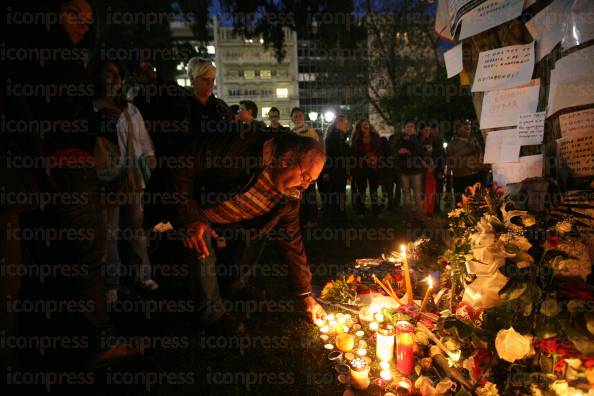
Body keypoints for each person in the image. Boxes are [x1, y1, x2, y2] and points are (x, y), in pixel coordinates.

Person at [171, 131, 327, 331]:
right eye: (305, 176)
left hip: (235, 219)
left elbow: (291, 241)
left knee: (255, 237)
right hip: (199, 207)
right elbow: (182, 163)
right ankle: (211, 312)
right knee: (201, 245)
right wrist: (190, 217)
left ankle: (236, 287)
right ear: (287, 159)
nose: (305, 186)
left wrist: (305, 294)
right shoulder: (241, 147)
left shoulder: (288, 199)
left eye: (311, 182)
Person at [89, 59, 159, 304]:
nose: (114, 80)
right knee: (110, 233)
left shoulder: (130, 110)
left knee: (136, 230)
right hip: (105, 180)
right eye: (108, 74)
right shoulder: (92, 110)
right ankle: (112, 283)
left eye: (116, 75)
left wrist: (149, 158)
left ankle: (142, 275)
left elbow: (142, 139)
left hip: (131, 178)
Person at [291, 107, 320, 227]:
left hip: (308, 169)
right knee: (299, 196)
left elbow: (316, 149)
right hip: (295, 170)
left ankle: (312, 219)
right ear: (292, 119)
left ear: (303, 117)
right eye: (295, 116)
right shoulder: (291, 133)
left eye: (299, 115)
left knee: (310, 194)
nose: (298, 118)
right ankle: (302, 219)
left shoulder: (310, 131)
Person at [351, 119, 383, 216]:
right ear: (360, 128)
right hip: (361, 167)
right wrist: (364, 158)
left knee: (374, 188)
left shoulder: (375, 137)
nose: (366, 126)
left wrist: (376, 158)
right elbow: (354, 153)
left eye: (367, 125)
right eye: (363, 125)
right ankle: (361, 209)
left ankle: (375, 209)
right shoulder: (356, 138)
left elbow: (381, 150)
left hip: (373, 166)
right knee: (361, 188)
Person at [393, 120, 424, 215]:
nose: (409, 128)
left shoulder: (418, 138)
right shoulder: (399, 139)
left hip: (415, 170)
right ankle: (408, 215)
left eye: (412, 126)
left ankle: (420, 215)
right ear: (404, 128)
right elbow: (394, 152)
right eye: (408, 126)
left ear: (414, 129)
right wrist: (399, 152)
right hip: (403, 169)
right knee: (406, 192)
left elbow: (420, 151)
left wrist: (409, 151)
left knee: (418, 193)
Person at [323, 115, 350, 222]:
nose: (346, 125)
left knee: (339, 193)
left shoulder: (339, 136)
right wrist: (328, 172)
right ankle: (337, 216)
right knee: (337, 194)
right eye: (345, 122)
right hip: (335, 171)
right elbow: (331, 156)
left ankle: (338, 215)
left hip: (339, 171)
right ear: (339, 123)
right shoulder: (333, 137)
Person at [447, 120, 483, 200]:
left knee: (476, 201)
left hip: (474, 176)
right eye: (465, 128)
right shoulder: (452, 144)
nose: (468, 131)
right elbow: (451, 162)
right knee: (462, 202)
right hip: (460, 178)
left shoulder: (474, 141)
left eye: (469, 129)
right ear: (459, 129)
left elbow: (479, 155)